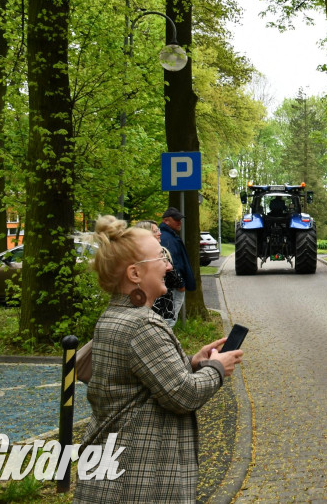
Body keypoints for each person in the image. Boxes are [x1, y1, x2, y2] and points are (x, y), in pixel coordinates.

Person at [75, 215, 242, 503]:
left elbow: (138, 383)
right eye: (160, 257)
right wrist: (217, 368)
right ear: (135, 274)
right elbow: (182, 394)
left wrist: (191, 363)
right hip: (138, 480)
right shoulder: (142, 325)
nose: (168, 265)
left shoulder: (114, 316)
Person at [136, 221, 183, 325]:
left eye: (159, 230)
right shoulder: (135, 256)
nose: (160, 233)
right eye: (155, 231)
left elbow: (178, 283)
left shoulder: (163, 252)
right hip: (146, 311)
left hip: (164, 311)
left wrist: (170, 270)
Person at [158, 207, 194, 321]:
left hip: (171, 286)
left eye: (180, 219)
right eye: (176, 219)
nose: (180, 222)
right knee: (169, 319)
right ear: (166, 221)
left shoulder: (169, 236)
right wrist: (180, 284)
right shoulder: (166, 238)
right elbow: (172, 264)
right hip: (173, 287)